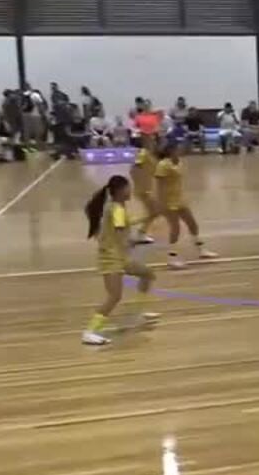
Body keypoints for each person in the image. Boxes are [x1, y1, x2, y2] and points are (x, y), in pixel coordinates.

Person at [81, 175, 161, 346]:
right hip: (111, 259)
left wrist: (148, 217)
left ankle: (138, 313)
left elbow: (125, 224)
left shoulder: (116, 207)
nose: (130, 191)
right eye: (128, 188)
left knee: (147, 274)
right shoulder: (116, 208)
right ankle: (89, 331)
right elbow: (120, 231)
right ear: (119, 191)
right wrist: (132, 241)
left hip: (120, 257)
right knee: (114, 296)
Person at [156, 142, 218, 269]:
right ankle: (172, 257)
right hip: (168, 201)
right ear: (171, 150)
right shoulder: (163, 165)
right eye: (178, 148)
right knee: (175, 228)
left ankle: (201, 250)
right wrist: (161, 203)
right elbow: (159, 186)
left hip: (180, 199)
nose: (181, 150)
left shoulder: (179, 162)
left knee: (192, 224)